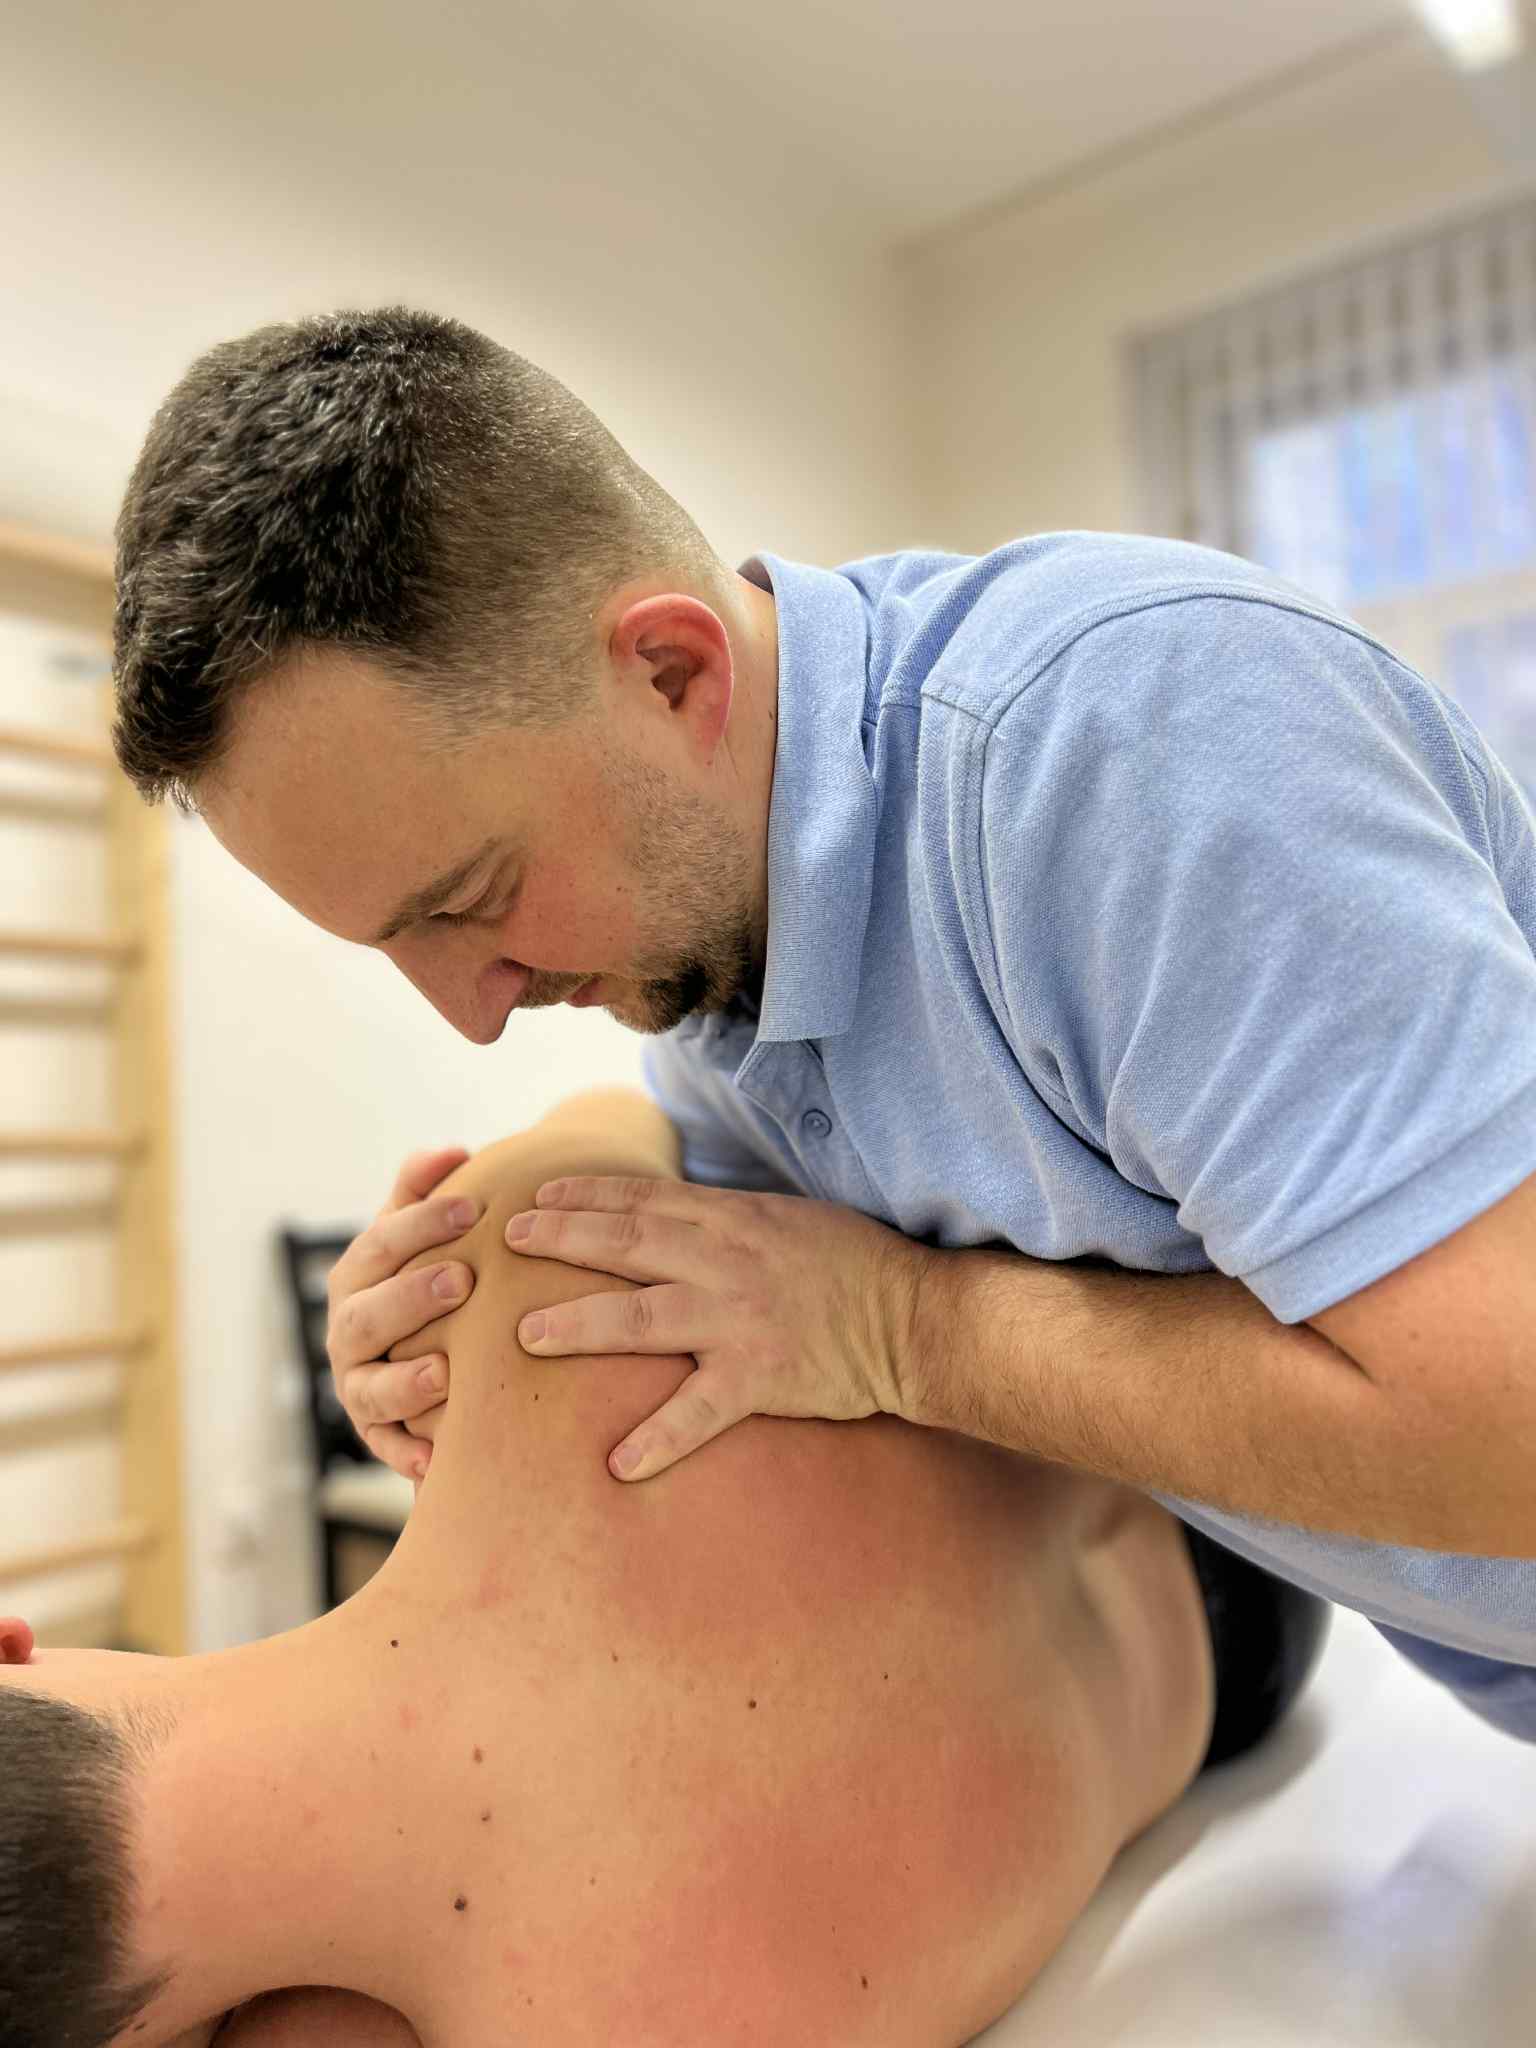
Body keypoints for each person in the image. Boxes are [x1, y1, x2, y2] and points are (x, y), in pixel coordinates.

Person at [108, 307, 1536, 1743]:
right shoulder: (732, 946)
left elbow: (1514, 1427)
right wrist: (467, 1247)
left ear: (674, 674)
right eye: (392, 943)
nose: (471, 1012)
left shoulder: (1123, 752)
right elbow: (698, 1158)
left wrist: (903, 1328)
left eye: (472, 898)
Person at [0, 1088, 1330, 2048]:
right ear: (9, 1645)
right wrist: (447, 1258)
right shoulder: (522, 1292)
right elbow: (648, 1107)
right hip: (1212, 1420)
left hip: (1230, 1676)